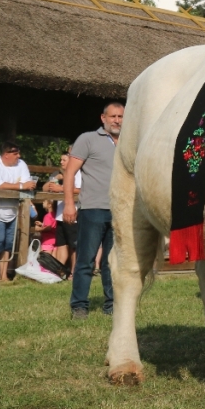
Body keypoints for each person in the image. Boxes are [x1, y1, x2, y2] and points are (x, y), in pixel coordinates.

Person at [65, 103, 123, 319]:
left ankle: (112, 306)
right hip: (93, 208)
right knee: (86, 260)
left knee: (112, 262)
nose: (117, 120)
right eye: (113, 116)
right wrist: (70, 204)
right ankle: (79, 306)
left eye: (121, 116)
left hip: (120, 210)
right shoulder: (87, 139)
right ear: (103, 118)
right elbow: (70, 173)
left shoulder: (129, 142)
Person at [0, 141, 37, 282]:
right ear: (6, 154)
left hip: (13, 210)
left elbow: (28, 184)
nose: (18, 156)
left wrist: (22, 186)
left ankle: (3, 275)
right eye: (15, 153)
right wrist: (20, 186)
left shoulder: (21, 164)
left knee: (8, 244)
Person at [44, 152, 81, 276]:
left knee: (74, 246)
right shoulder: (59, 175)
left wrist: (61, 189)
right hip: (60, 215)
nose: (61, 162)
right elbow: (44, 188)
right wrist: (55, 179)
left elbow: (82, 190)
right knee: (61, 244)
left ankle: (74, 272)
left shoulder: (79, 173)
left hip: (73, 214)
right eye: (60, 160)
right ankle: (58, 272)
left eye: (64, 160)